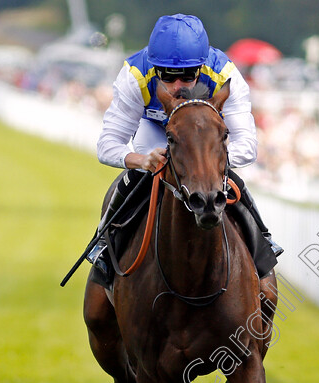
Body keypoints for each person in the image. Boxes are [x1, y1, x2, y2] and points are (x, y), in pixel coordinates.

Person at [89, 13, 282, 283]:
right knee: (139, 177)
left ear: (202, 68)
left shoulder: (226, 75)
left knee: (228, 179)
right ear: (155, 68)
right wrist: (142, 160)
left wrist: (206, 160)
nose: (178, 86)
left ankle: (263, 243)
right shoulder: (134, 75)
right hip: (155, 130)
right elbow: (107, 144)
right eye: (167, 76)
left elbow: (247, 146)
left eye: (188, 76)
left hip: (205, 137)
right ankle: (102, 245)